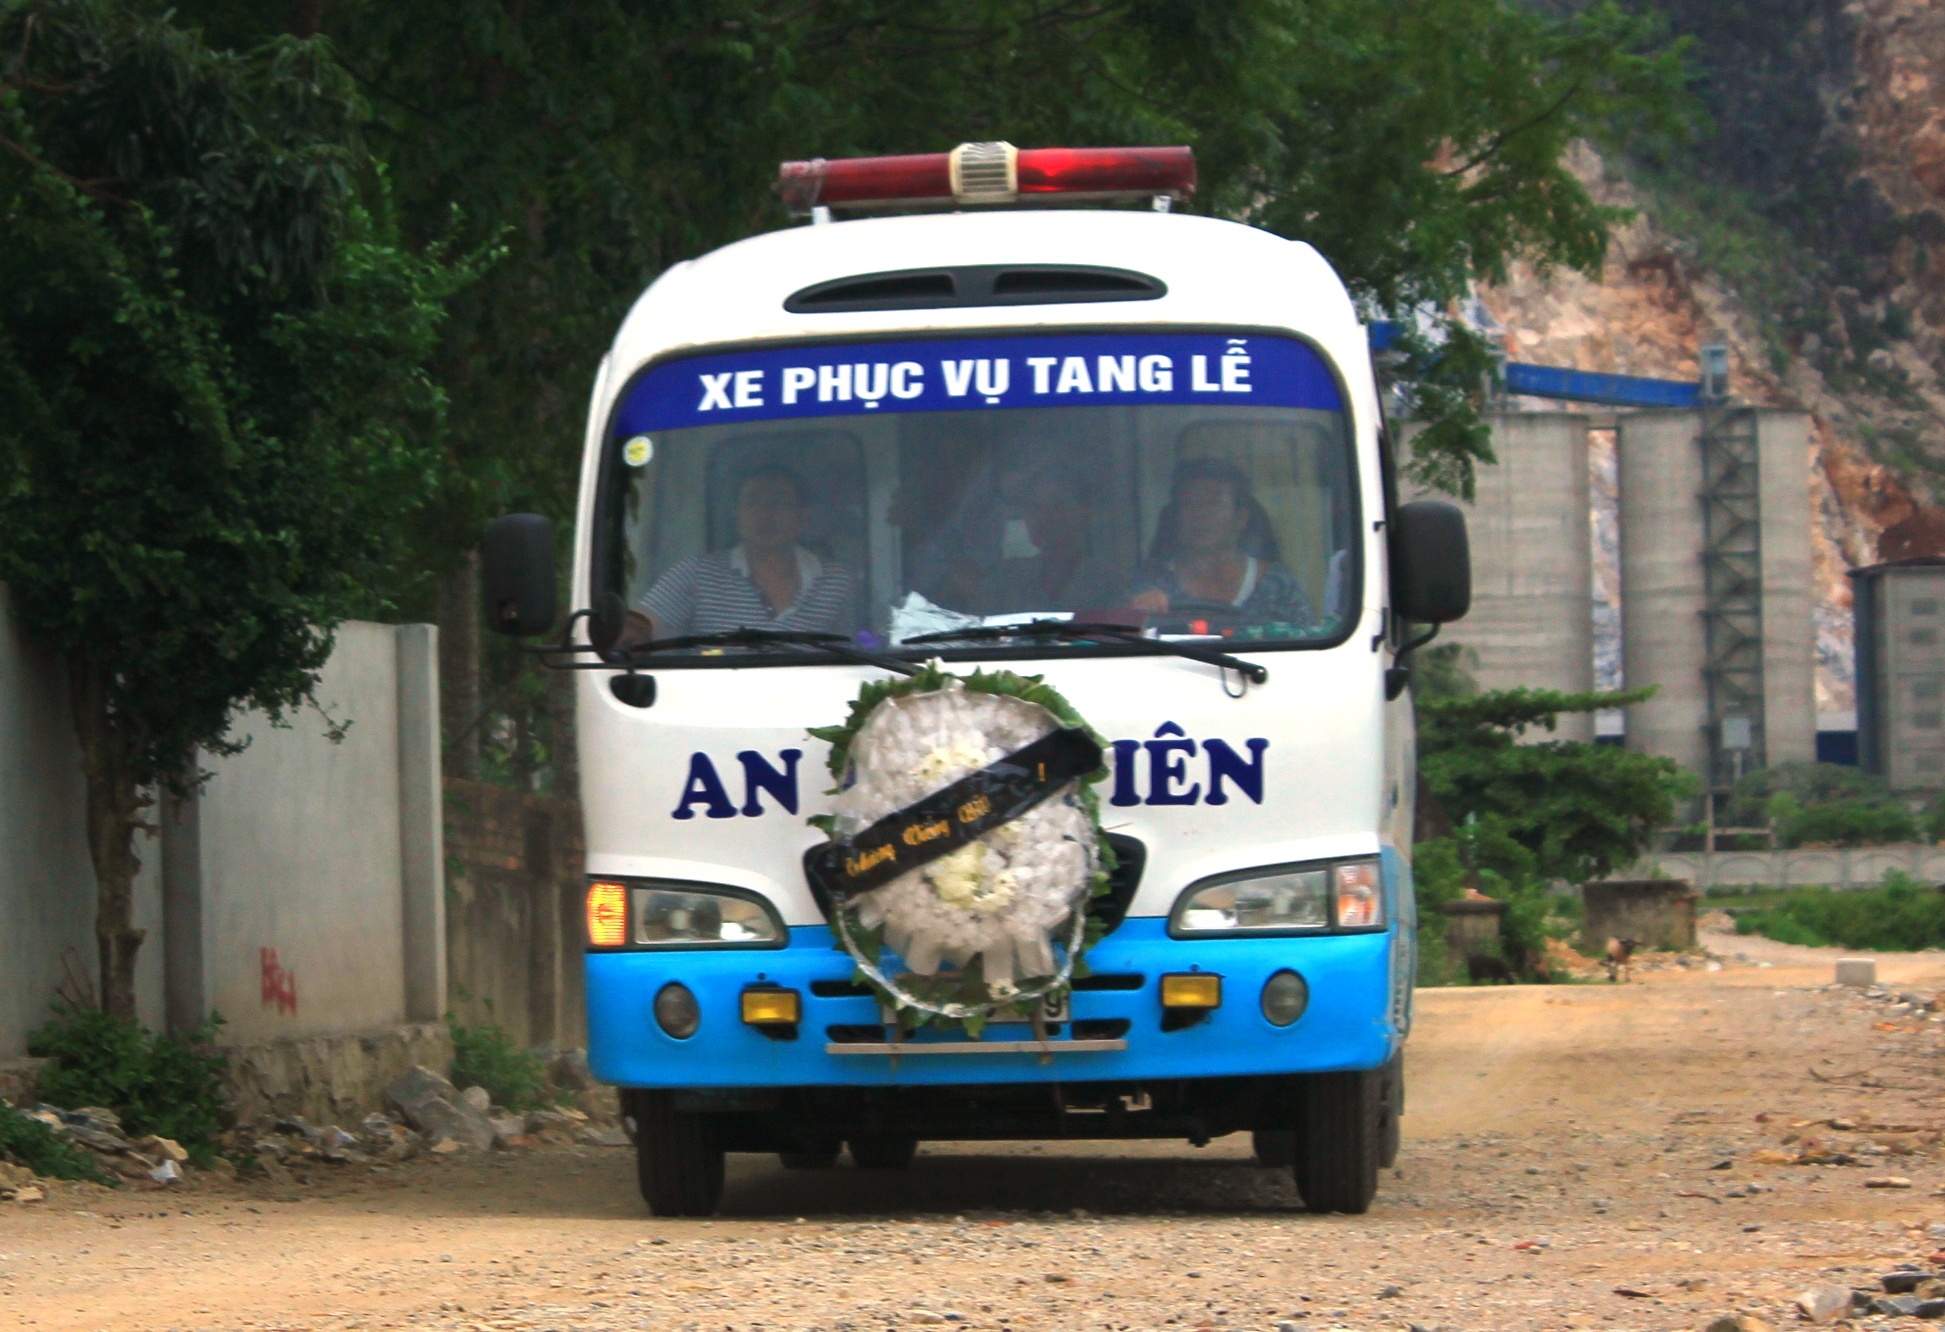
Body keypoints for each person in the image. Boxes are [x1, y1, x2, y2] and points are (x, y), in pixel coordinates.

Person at [625, 464, 861, 642]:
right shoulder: (697, 573)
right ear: (737, 514)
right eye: (752, 502)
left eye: (778, 502)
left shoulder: (836, 580)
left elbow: (863, 644)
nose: (764, 514)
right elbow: (641, 625)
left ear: (802, 516)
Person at [1130, 457, 1312, 625]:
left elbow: (1307, 649)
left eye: (1213, 503)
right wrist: (1138, 615)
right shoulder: (1152, 582)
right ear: (1177, 517)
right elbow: (1123, 641)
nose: (1200, 514)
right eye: (1190, 503)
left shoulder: (1279, 587)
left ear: (1240, 518)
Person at [979, 465, 1122, 614]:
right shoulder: (1004, 582)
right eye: (1034, 507)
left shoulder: (1111, 586)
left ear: (1084, 514)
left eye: (1058, 505)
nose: (1043, 517)